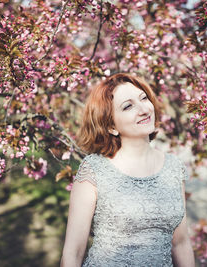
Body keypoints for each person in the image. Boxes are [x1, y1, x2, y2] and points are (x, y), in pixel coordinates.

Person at [61, 73, 195, 267]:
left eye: (143, 98)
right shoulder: (94, 170)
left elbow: (181, 243)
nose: (143, 109)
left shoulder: (174, 168)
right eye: (128, 106)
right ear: (111, 126)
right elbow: (73, 252)